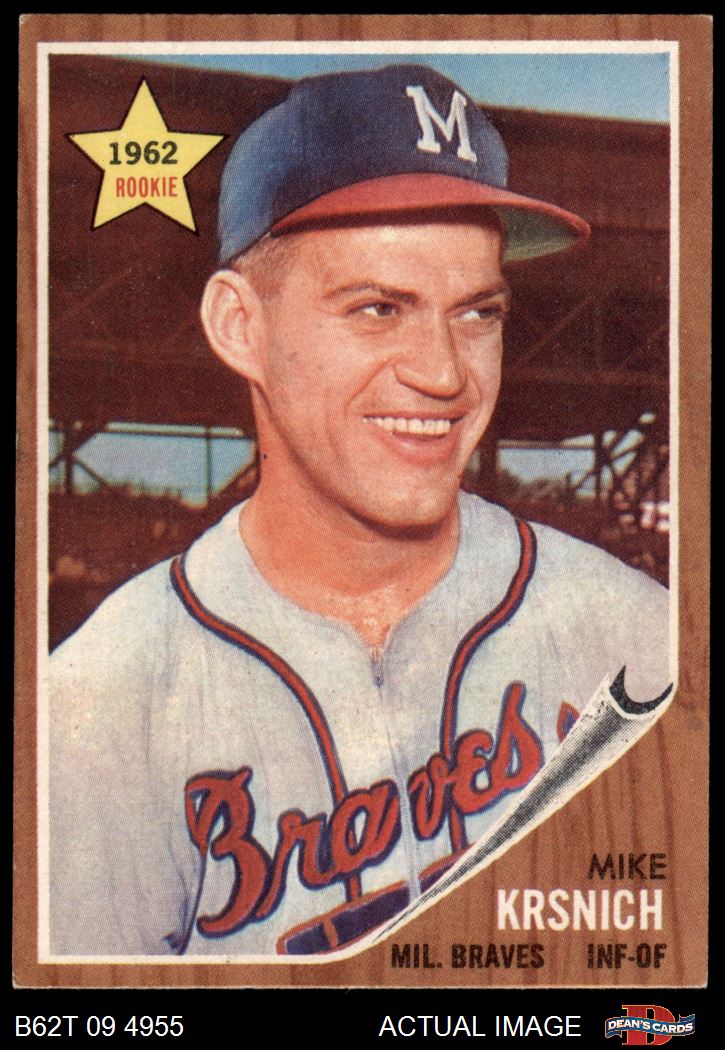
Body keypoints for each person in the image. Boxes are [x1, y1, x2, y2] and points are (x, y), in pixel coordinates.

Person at [49, 64, 670, 957]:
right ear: (240, 326)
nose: (445, 373)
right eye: (378, 308)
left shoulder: (636, 636)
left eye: (478, 313)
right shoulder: (103, 703)